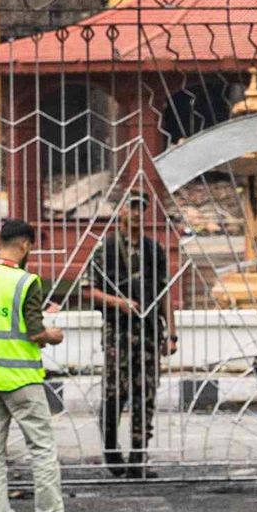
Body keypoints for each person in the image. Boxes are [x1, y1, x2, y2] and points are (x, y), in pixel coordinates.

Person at [0, 218, 85, 512]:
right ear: (26, 245)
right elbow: (35, 332)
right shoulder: (26, 282)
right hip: (20, 378)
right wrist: (53, 335)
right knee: (42, 446)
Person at [79, 186, 175, 480]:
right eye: (130, 207)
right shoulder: (105, 248)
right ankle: (111, 451)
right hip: (117, 332)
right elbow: (87, 290)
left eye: (140, 209)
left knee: (145, 394)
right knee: (114, 394)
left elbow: (163, 293)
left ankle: (138, 457)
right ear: (120, 211)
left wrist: (171, 332)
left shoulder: (153, 249)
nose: (135, 214)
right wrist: (117, 302)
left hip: (147, 332)